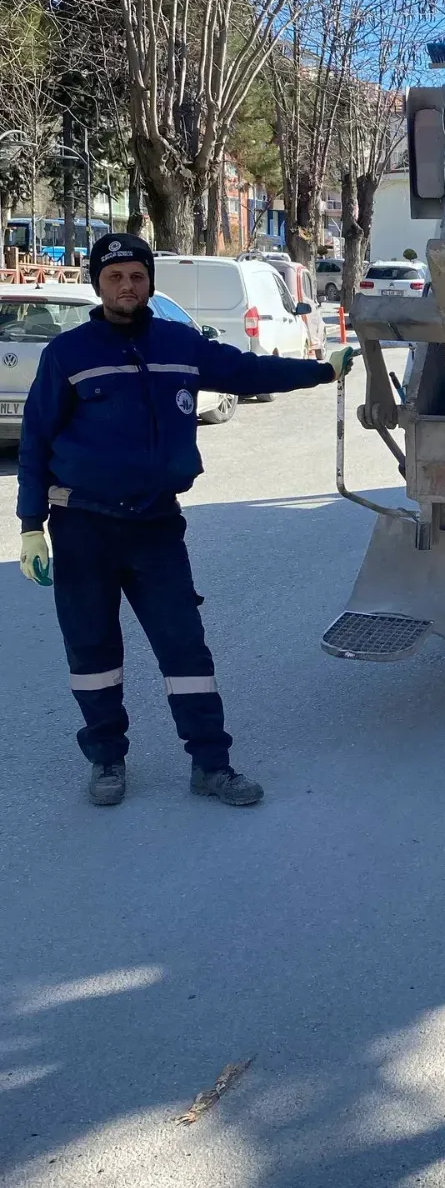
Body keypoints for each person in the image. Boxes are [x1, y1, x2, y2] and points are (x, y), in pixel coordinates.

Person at [17, 232, 354, 808]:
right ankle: (106, 760)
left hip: (155, 527)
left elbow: (247, 373)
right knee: (93, 652)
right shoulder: (66, 355)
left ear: (150, 282)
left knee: (185, 650)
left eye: (137, 276)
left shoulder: (179, 343)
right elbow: (34, 440)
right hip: (83, 527)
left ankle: (211, 765)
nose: (127, 286)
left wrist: (322, 371)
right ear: (98, 283)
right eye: (115, 276)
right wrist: (30, 525)